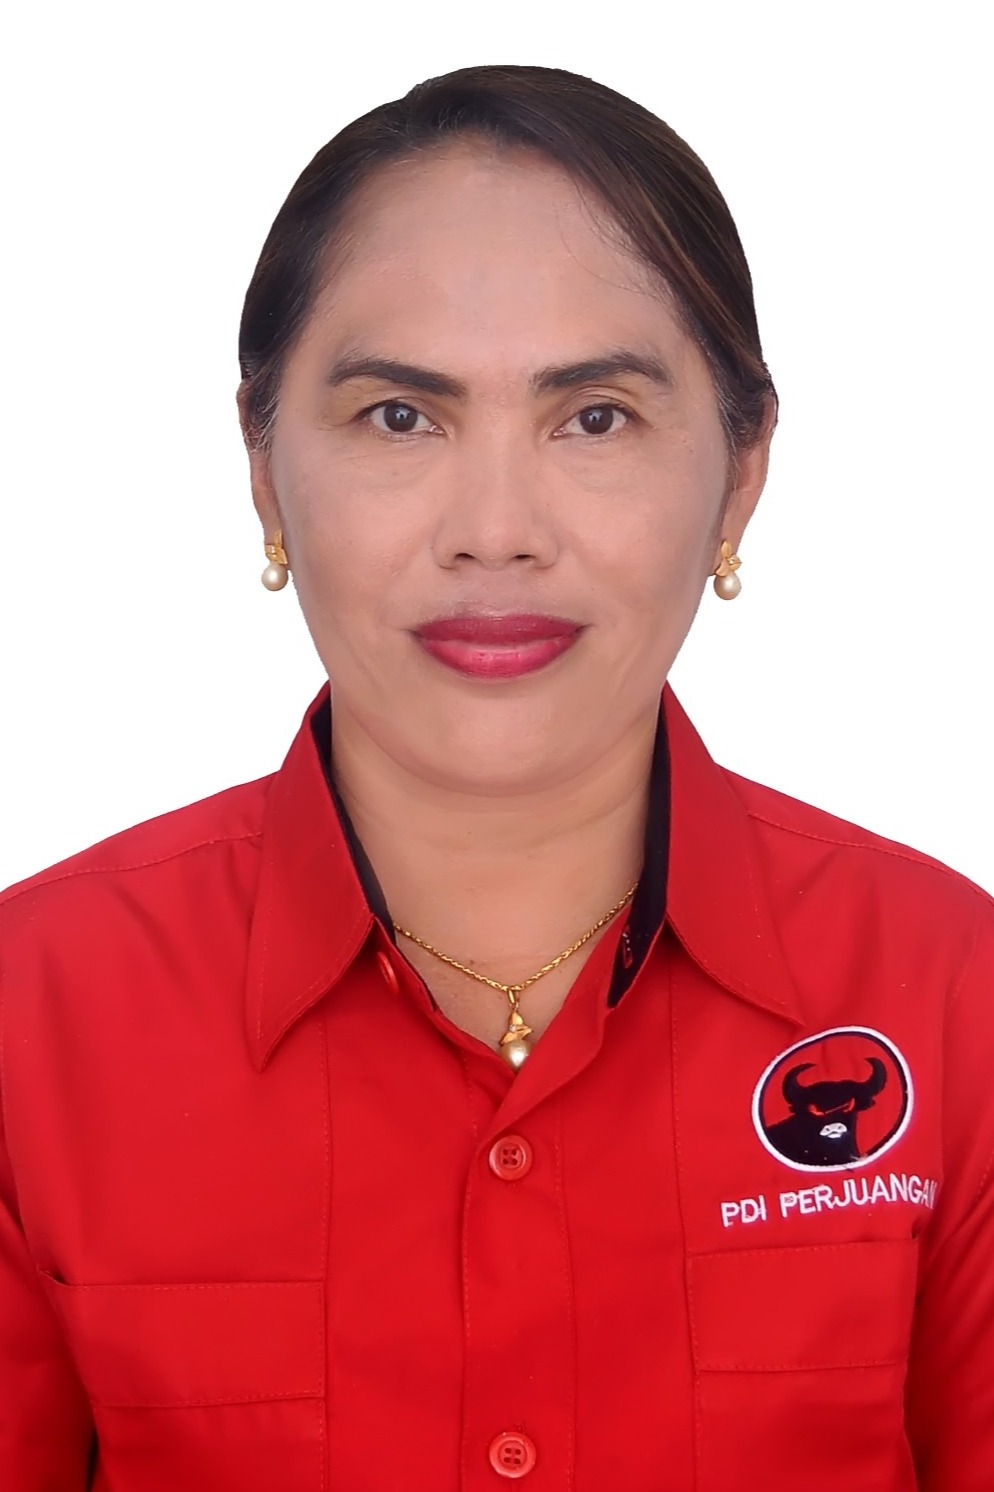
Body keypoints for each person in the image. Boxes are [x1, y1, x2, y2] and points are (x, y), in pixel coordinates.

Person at [0, 62, 991, 1492]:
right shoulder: (32, 1018)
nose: (495, 528)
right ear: (265, 470)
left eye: (595, 417)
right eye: (401, 417)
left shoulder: (950, 993)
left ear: (741, 472)